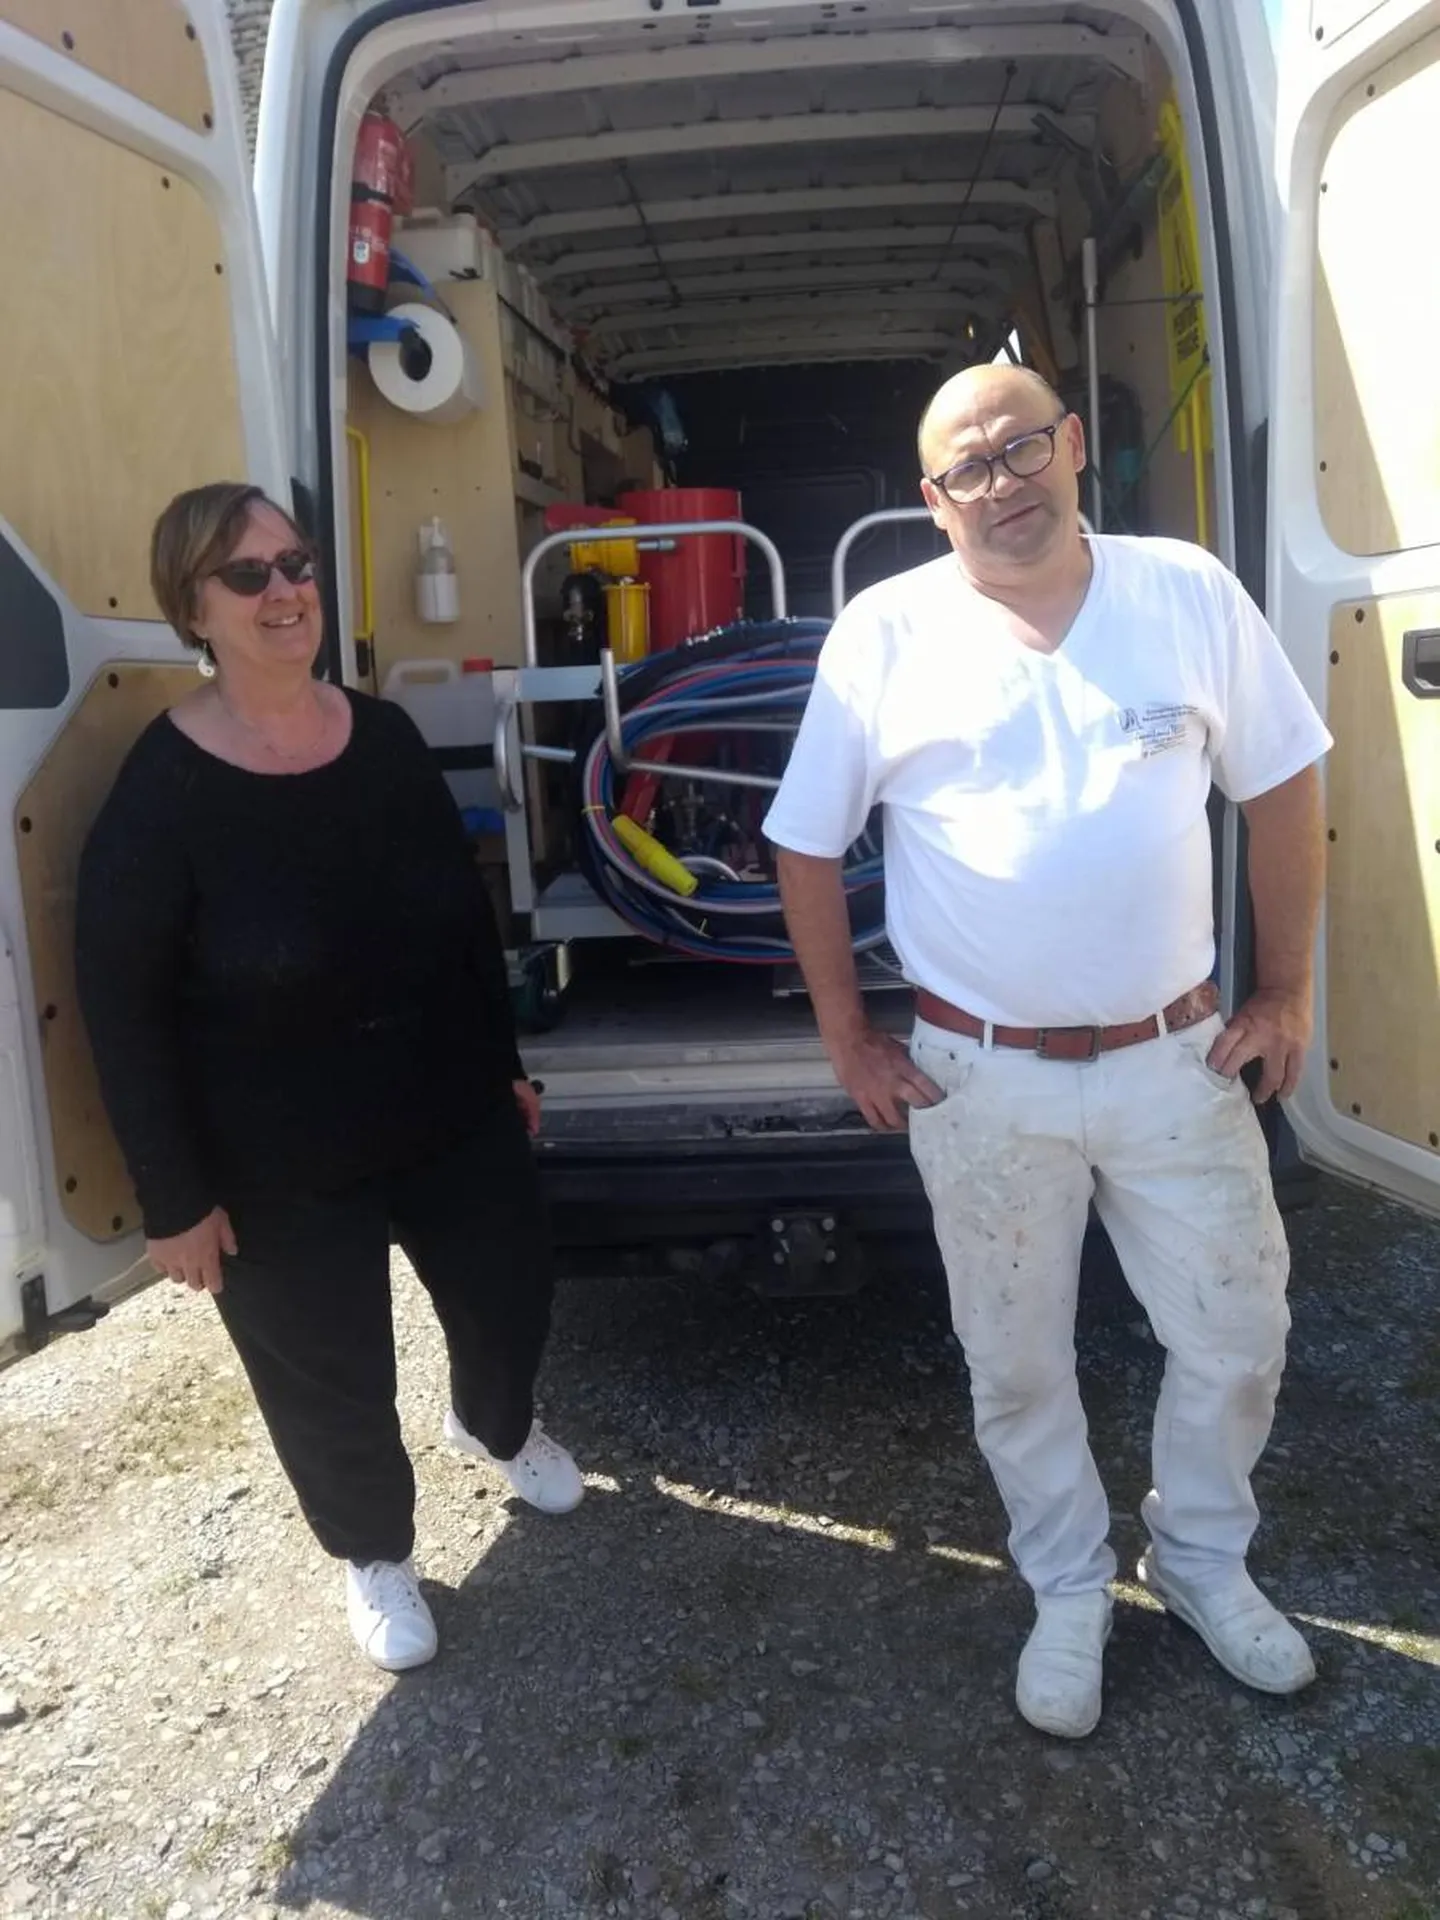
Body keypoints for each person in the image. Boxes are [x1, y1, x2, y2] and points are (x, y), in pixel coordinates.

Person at [763, 365, 1331, 1738]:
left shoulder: (1186, 591)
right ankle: (1069, 1586)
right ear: (933, 500)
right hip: (983, 1078)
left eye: (1021, 447)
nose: (1002, 483)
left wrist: (1287, 991)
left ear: (1074, 444)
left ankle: (1199, 1561)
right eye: (968, 468)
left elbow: (1282, 783)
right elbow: (803, 841)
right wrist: (849, 1036)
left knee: (1240, 1333)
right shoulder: (886, 630)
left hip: (1177, 1060)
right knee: (1016, 1363)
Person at [76, 483, 583, 1675]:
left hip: (444, 1101)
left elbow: (460, 917)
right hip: (273, 1149)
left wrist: (502, 1063)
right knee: (327, 1369)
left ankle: (494, 1425)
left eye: (295, 564)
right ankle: (374, 1552)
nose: (284, 591)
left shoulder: (385, 739)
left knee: (511, 1293)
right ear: (192, 608)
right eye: (246, 574)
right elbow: (121, 1007)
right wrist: (173, 1197)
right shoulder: (161, 790)